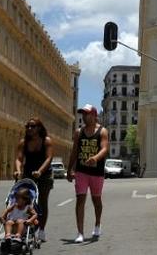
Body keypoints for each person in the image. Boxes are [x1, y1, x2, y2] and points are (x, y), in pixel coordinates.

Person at [67, 104, 109, 243]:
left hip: (96, 172)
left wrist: (95, 158)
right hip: (82, 171)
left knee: (96, 200)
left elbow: (104, 149)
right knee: (80, 200)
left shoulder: (103, 131)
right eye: (83, 114)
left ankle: (97, 224)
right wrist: (69, 169)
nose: (84, 116)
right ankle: (80, 233)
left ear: (94, 115)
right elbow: (74, 152)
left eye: (87, 114)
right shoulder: (79, 132)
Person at [14, 117, 53, 242]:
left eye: (32, 126)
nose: (29, 128)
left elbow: (49, 158)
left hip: (45, 174)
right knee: (25, 201)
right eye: (27, 126)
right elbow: (19, 158)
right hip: (28, 173)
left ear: (39, 128)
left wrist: (40, 171)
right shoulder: (23, 142)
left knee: (42, 202)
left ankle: (41, 230)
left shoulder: (46, 141)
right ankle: (26, 228)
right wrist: (18, 171)